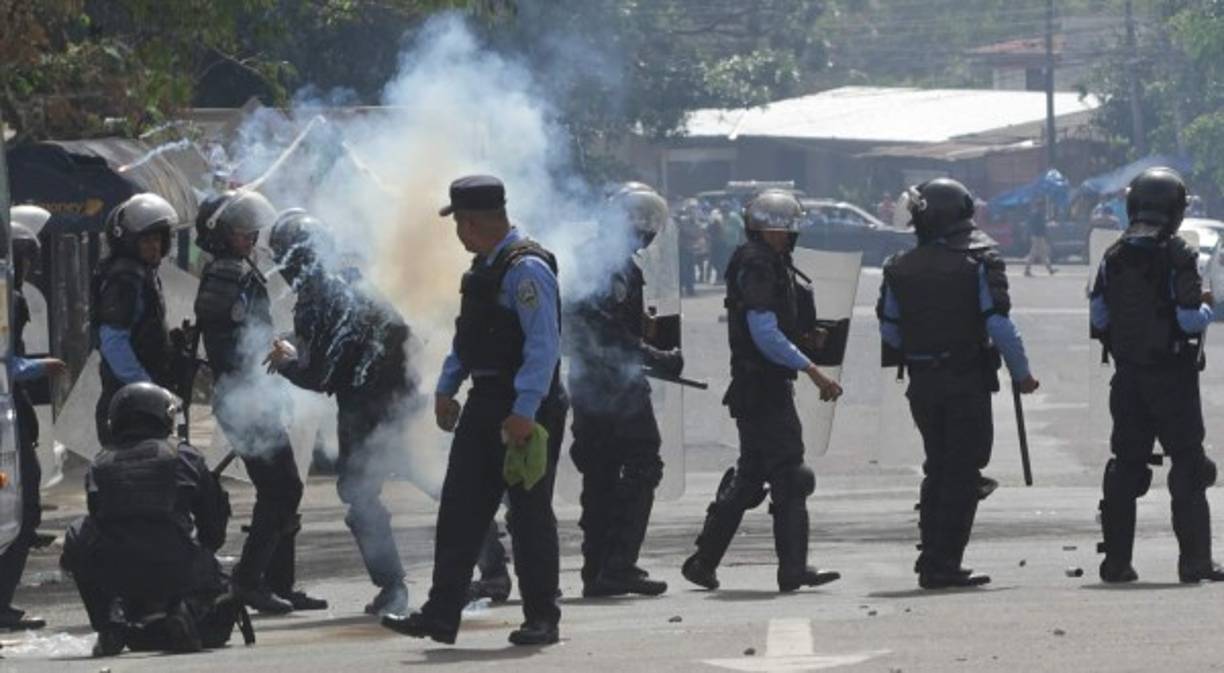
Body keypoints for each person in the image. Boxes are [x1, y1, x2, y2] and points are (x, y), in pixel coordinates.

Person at [382, 175, 567, 646]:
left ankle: (542, 617)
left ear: (471, 222)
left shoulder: (527, 269)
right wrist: (446, 387)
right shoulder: (485, 267)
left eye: (459, 223)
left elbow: (543, 347)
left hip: (526, 405)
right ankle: (441, 614)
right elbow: (468, 337)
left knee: (528, 514)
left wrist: (525, 409)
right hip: (486, 403)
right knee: (461, 508)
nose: (457, 234)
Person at [877, 178, 1040, 589]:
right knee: (964, 473)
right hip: (966, 379)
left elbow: (891, 332)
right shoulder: (981, 260)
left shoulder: (897, 267)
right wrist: (1022, 374)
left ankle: (930, 555)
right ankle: (943, 565)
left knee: (939, 468)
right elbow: (999, 324)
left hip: (922, 382)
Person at [681, 189, 844, 593]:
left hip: (760, 386)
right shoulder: (757, 265)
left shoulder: (769, 262)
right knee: (791, 473)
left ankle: (703, 562)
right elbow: (764, 332)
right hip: (762, 387)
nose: (788, 237)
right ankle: (792, 569)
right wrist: (812, 370)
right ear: (768, 232)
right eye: (783, 231)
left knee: (753, 477)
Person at [264, 210, 413, 617]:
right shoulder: (353, 282)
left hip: (367, 407)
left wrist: (288, 363)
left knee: (361, 493)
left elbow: (322, 374)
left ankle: (393, 587)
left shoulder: (318, 299)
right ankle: (491, 564)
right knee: (433, 477)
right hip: (400, 398)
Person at [1089, 167, 1224, 584]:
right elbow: (1188, 320)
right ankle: (1195, 562)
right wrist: (1207, 307)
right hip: (1172, 379)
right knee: (1186, 466)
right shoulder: (1178, 255)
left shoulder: (1113, 255)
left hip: (1127, 377)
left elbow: (1098, 316)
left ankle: (1115, 563)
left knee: (1124, 467)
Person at [193, 191, 326, 614]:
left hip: (255, 396)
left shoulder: (239, 271)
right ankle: (250, 581)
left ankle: (277, 584)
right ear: (218, 235)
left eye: (250, 228)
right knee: (282, 487)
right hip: (242, 399)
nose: (249, 235)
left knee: (283, 488)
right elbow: (231, 345)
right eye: (239, 229)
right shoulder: (224, 277)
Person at [61, 383, 240, 657]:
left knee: (77, 531)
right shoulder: (185, 455)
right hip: (178, 565)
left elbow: (96, 519)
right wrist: (201, 556)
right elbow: (213, 527)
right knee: (221, 580)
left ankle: (109, 622)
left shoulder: (99, 464)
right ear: (162, 416)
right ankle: (185, 611)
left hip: (115, 572)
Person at [568, 183, 682, 598]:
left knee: (599, 476)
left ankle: (597, 570)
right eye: (639, 223)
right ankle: (618, 565)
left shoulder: (595, 260)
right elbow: (603, 328)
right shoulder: (609, 266)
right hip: (614, 388)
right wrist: (655, 353)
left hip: (589, 385)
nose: (644, 231)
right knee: (641, 465)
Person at [0, 208, 67, 631]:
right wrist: (40, 368)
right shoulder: (10, 295)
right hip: (8, 412)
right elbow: (6, 361)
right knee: (22, 512)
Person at [92, 193, 181, 446]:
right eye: (147, 240)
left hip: (138, 405)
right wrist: (148, 390)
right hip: (130, 410)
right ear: (129, 241)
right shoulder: (125, 280)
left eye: (158, 239)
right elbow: (114, 344)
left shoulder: (143, 274)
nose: (154, 246)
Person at [1023, 203, 1056, 276]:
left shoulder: (1034, 214)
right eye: (1042, 206)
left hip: (1035, 236)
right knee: (1035, 253)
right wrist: (1046, 235)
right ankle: (1027, 269)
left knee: (1041, 253)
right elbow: (1042, 227)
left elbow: (1030, 225)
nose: (1043, 207)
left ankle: (1049, 269)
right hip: (1038, 236)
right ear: (1040, 206)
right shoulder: (1038, 215)